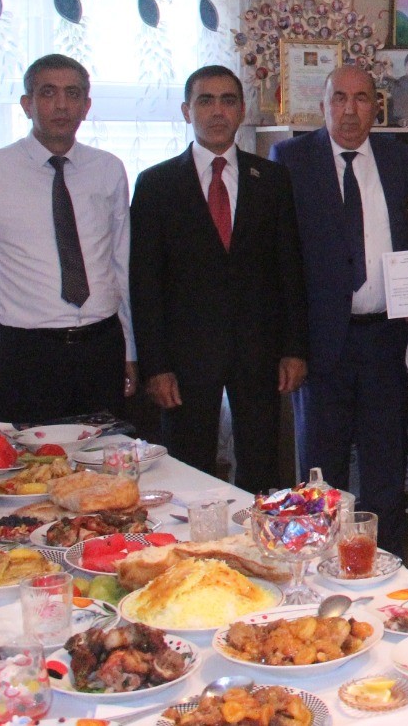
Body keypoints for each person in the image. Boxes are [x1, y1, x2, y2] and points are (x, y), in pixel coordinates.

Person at [129, 65, 309, 494]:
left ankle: (256, 536)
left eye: (228, 100)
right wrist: (156, 366)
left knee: (261, 471)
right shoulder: (156, 184)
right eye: (205, 101)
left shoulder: (272, 180)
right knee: (187, 470)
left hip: (259, 353)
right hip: (185, 358)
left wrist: (295, 349)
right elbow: (145, 284)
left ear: (242, 110)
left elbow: (290, 269)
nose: (217, 111)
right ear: (186, 110)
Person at [271, 65, 408, 553]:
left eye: (361, 98)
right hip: (320, 345)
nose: (350, 109)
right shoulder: (291, 159)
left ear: (376, 106)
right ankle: (317, 567)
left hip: (384, 340)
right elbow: (282, 260)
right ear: (323, 105)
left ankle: (387, 566)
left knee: (385, 470)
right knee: (321, 473)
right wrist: (291, 346)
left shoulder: (402, 161)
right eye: (339, 98)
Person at [0, 53, 138, 423]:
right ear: (27, 104)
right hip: (26, 353)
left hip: (101, 348)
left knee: (107, 456)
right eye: (48, 93)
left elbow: (122, 265)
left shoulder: (108, 169)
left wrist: (130, 349)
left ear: (86, 106)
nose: (61, 105)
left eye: (73, 94)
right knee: (29, 460)